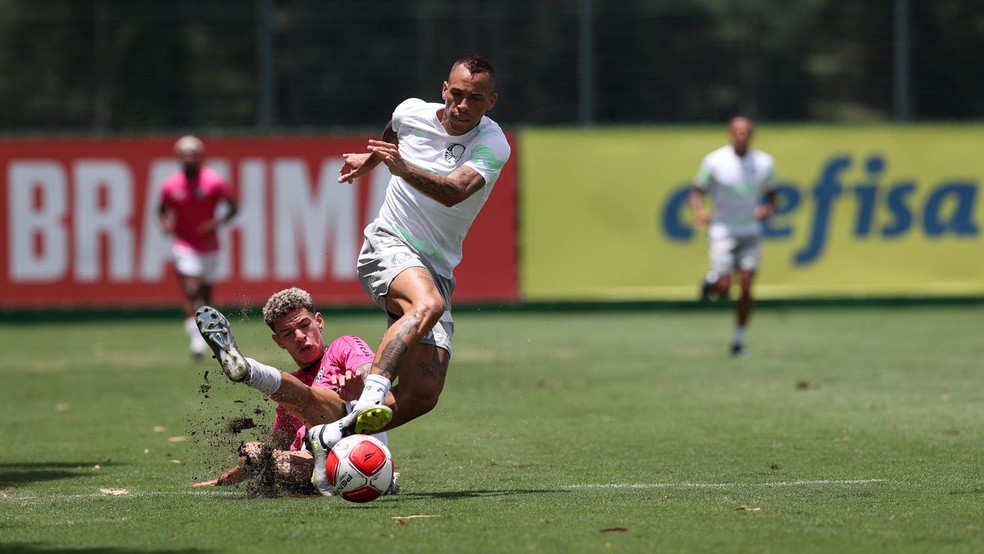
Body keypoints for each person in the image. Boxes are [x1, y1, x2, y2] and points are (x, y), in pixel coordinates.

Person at [297, 54, 511, 479]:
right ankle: (374, 393)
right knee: (426, 304)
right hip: (388, 243)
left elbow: (454, 192)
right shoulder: (409, 111)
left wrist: (399, 166)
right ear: (444, 90)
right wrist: (371, 159)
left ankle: (328, 437)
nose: (463, 105)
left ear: (491, 102)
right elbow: (394, 133)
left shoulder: (493, 144)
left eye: (475, 98)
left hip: (436, 267)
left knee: (422, 393)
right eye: (457, 94)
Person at [192, 287, 396, 496]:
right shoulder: (288, 395)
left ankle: (249, 371)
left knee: (308, 396)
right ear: (279, 342)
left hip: (359, 452)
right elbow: (277, 446)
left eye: (305, 325)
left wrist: (362, 389)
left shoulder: (342, 347)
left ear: (320, 321)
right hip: (314, 465)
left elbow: (370, 370)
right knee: (253, 451)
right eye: (288, 333)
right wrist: (221, 481)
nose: (299, 336)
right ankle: (328, 482)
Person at [689, 116, 777, 357]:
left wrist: (767, 208)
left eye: (746, 131)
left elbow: (772, 195)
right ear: (729, 134)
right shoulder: (715, 161)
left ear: (752, 134)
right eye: (737, 131)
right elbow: (697, 191)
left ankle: (738, 340)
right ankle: (712, 280)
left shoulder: (764, 162)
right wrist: (699, 212)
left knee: (747, 286)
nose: (742, 135)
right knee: (725, 288)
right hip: (723, 231)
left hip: (750, 231)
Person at [158, 135, 238, 358]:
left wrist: (217, 223)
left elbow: (233, 206)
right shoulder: (171, 185)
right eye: (184, 155)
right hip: (184, 244)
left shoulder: (213, 182)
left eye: (192, 155)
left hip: (210, 246)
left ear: (200, 157)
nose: (188, 159)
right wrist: (165, 223)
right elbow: (162, 209)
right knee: (192, 291)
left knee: (207, 295)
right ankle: (196, 341)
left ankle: (209, 336)